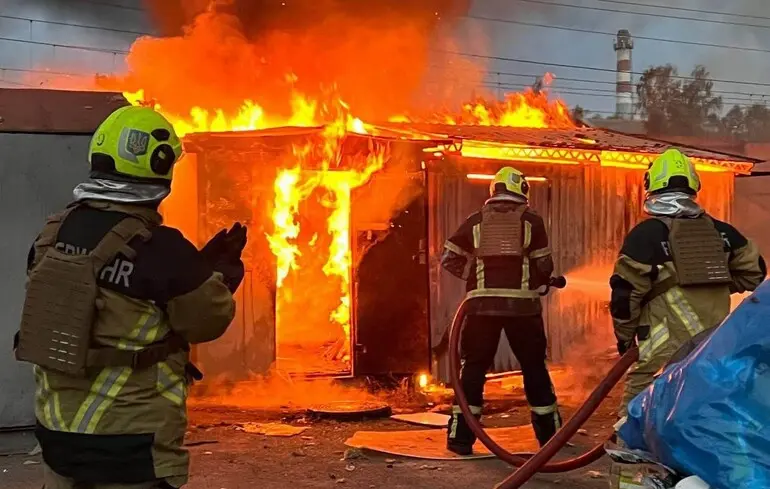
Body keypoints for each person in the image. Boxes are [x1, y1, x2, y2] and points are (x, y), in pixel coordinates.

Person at [14, 106, 247, 489]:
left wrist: (194, 270)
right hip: (130, 447)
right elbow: (207, 321)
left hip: (57, 437)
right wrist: (219, 276)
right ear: (160, 169)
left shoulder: (52, 234)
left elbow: (112, 296)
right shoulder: (164, 249)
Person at [610, 148, 765, 417]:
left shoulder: (645, 235)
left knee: (643, 400)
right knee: (704, 402)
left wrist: (624, 338)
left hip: (663, 344)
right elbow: (755, 274)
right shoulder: (724, 232)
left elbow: (625, 296)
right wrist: (715, 284)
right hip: (715, 340)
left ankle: (632, 450)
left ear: (651, 185)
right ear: (694, 186)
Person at [440, 166, 562, 455]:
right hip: (522, 308)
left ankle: (460, 439)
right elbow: (544, 265)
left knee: (473, 369)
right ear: (522, 191)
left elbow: (448, 258)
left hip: (481, 307)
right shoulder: (532, 221)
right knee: (533, 368)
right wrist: (539, 279)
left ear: (493, 191)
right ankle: (550, 438)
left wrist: (476, 276)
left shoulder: (474, 222)